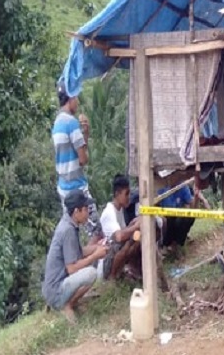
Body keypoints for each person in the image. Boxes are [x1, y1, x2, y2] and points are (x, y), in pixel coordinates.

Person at [42, 190, 109, 324]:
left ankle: (68, 302)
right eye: (85, 209)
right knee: (91, 273)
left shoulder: (68, 223)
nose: (88, 213)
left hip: (54, 286)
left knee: (88, 268)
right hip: (56, 291)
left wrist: (96, 247)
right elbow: (71, 269)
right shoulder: (68, 230)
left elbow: (79, 251)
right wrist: (95, 255)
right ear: (76, 212)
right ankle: (67, 305)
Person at [53, 82, 100, 239]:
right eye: (76, 97)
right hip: (77, 187)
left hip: (63, 188)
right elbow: (83, 159)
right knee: (95, 232)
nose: (77, 102)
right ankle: (95, 263)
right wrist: (83, 135)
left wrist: (84, 135)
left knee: (72, 231)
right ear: (71, 98)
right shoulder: (71, 123)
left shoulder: (57, 123)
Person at [99, 175, 142, 280]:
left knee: (138, 237)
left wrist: (134, 224)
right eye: (126, 194)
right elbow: (119, 236)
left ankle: (127, 270)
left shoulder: (120, 209)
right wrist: (135, 226)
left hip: (114, 252)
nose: (129, 197)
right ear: (117, 194)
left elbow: (124, 231)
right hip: (106, 261)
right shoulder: (110, 212)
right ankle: (111, 278)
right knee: (128, 242)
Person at [158, 174, 211, 251]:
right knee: (167, 220)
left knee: (187, 219)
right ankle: (166, 244)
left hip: (177, 216)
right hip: (165, 218)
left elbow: (192, 208)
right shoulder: (161, 187)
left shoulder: (182, 186)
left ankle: (177, 244)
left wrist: (199, 198)